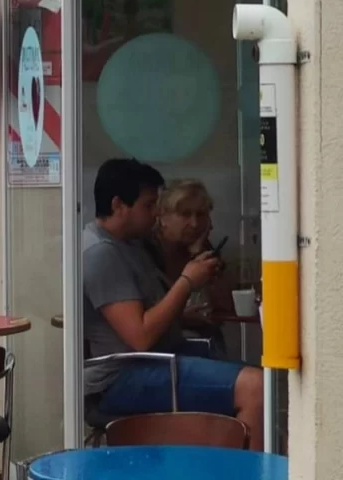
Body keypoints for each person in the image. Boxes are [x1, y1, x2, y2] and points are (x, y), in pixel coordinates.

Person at [83, 158, 264, 450]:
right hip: (123, 378)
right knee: (255, 388)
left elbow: (149, 310)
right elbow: (140, 336)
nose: (155, 214)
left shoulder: (129, 245)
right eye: (148, 205)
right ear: (119, 205)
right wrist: (187, 281)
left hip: (158, 361)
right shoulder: (101, 254)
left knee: (263, 379)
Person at [144, 179, 236, 355]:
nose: (194, 224)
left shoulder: (202, 247)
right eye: (185, 215)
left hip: (200, 340)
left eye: (200, 215)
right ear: (162, 217)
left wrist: (198, 254)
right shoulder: (147, 251)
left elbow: (226, 304)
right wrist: (181, 317)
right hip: (159, 348)